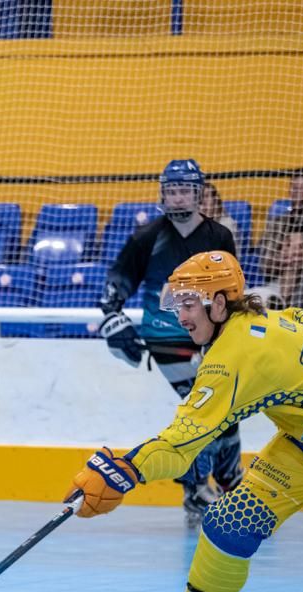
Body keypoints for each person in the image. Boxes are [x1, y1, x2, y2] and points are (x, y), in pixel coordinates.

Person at [71, 250, 303, 592]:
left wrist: (125, 470)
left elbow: (182, 443)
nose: (180, 314)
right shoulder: (267, 322)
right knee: (229, 522)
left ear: (220, 303)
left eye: (188, 303)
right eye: (176, 303)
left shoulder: (231, 356)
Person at [97, 159, 242, 525]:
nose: (178, 198)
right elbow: (117, 283)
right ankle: (200, 490)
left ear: (198, 193)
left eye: (185, 190)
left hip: (212, 336)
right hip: (166, 336)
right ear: (163, 194)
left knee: (224, 412)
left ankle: (225, 485)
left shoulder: (219, 236)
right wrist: (113, 318)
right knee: (205, 409)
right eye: (171, 191)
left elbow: (230, 290)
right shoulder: (147, 237)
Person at [258, 167, 303, 285]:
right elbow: (265, 265)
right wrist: (283, 259)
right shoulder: (276, 224)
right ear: (289, 192)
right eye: (295, 189)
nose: (299, 195)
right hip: (277, 282)